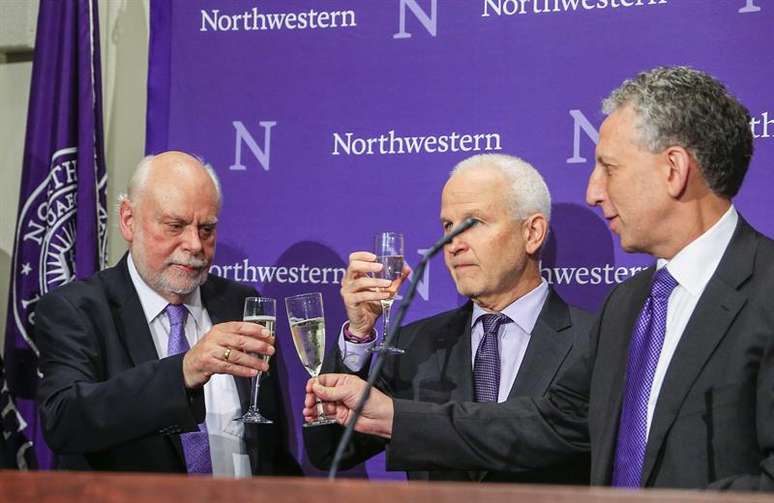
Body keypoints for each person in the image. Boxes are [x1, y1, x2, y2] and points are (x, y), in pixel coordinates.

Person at [306, 66, 774, 490]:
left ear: (673, 170)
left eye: (608, 169)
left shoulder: (763, 291)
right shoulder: (630, 305)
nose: (592, 191)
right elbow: (550, 423)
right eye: (447, 227)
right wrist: (394, 416)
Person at [304, 154, 592, 483]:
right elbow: (329, 450)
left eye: (473, 223)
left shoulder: (594, 341)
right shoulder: (414, 345)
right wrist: (358, 335)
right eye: (447, 226)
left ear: (533, 232)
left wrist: (399, 417)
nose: (452, 244)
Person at [36, 151, 300, 476]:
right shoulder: (77, 310)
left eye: (206, 229)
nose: (194, 244)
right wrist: (184, 371)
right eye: (175, 226)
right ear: (129, 221)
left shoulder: (241, 304)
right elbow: (65, 420)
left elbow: (272, 450)